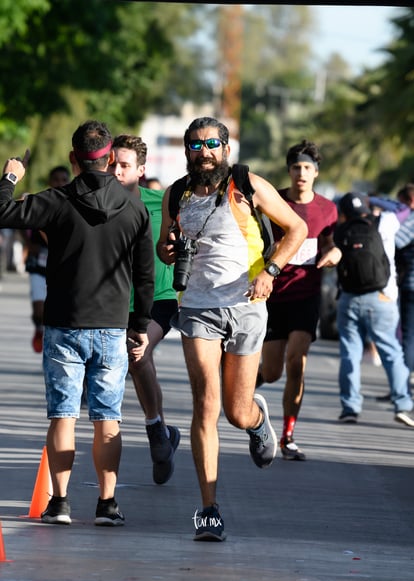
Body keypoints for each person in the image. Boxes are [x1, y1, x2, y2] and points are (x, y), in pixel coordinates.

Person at [156, 116, 308, 541]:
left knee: (235, 411)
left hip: (247, 306)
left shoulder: (248, 184)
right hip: (198, 309)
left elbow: (297, 228)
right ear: (188, 151)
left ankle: (257, 421)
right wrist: (167, 247)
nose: (203, 152)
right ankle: (208, 510)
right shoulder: (177, 194)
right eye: (195, 145)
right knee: (206, 404)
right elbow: (165, 252)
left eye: (211, 143)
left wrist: (272, 271)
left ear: (225, 148)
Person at [0, 120, 154, 525]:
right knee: (108, 418)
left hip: (65, 324)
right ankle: (107, 503)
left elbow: (2, 211)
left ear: (74, 159)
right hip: (112, 327)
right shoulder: (134, 207)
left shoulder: (57, 200)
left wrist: (10, 176)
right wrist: (140, 325)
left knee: (63, 415)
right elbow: (145, 276)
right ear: (108, 159)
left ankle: (61, 503)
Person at [257, 140, 342, 461]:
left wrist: (334, 252)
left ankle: (288, 436)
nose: (301, 173)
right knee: (274, 371)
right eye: (296, 167)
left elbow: (331, 243)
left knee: (297, 362)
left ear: (316, 172)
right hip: (274, 295)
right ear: (289, 171)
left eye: (307, 167)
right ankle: (242, 390)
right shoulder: (274, 201)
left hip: (307, 296)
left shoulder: (327, 209)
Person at [109, 134, 180, 485]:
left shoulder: (162, 202)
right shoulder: (100, 205)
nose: (117, 172)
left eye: (125, 165)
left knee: (137, 354)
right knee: (137, 363)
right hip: (117, 303)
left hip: (160, 300)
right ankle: (164, 435)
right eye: (112, 165)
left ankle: (154, 430)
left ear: (141, 169)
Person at [334, 192, 413, 426]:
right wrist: (374, 199)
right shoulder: (385, 222)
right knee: (391, 351)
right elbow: (403, 208)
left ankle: (350, 408)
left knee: (350, 353)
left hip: (349, 298)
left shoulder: (340, 230)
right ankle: (402, 404)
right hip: (382, 297)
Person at [23, 165, 71, 353]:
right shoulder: (40, 202)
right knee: (38, 310)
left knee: (57, 308)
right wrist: (28, 243)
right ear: (50, 182)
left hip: (61, 267)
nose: (60, 183)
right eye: (56, 179)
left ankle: (54, 340)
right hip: (38, 264)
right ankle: (38, 329)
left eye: (63, 180)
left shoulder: (71, 204)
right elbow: (21, 224)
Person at [395, 184, 414, 391]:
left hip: (411, 284)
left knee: (408, 336)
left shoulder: (411, 219)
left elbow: (396, 242)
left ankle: (403, 388)